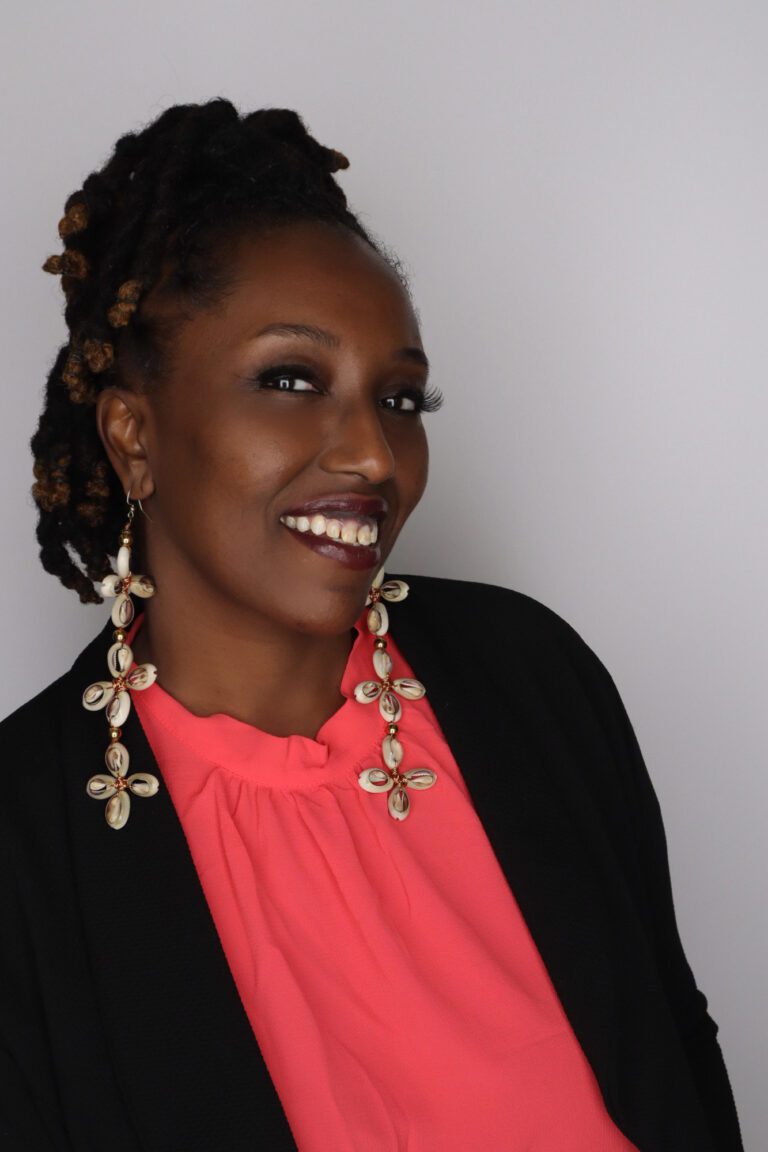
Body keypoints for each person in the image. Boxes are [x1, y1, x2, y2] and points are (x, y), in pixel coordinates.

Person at [0, 99, 743, 1152]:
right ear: (132, 435)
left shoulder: (533, 679)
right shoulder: (27, 848)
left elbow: (678, 1050)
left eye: (401, 400)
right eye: (291, 381)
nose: (374, 458)